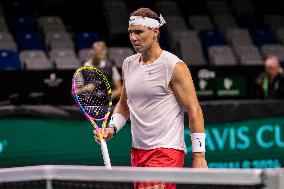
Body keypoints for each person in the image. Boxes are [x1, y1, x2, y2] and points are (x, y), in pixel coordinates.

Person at [94, 8, 208, 189]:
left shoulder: (174, 66)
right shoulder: (128, 64)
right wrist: (112, 128)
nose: (133, 38)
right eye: (131, 32)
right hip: (138, 152)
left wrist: (199, 156)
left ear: (155, 32)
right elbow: (124, 105)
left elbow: (194, 110)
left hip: (166, 151)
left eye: (139, 32)